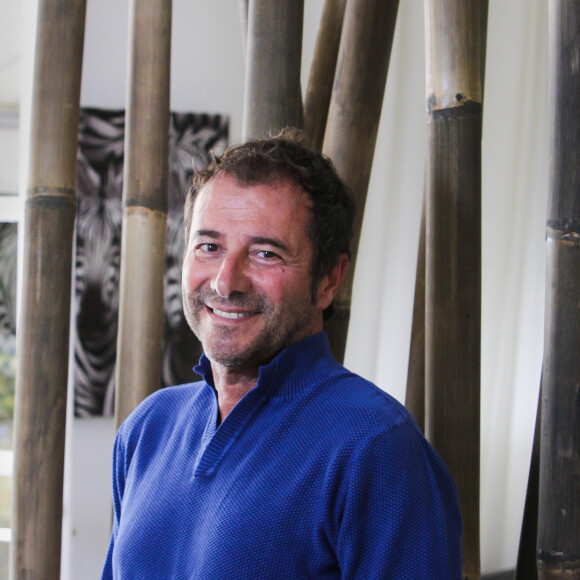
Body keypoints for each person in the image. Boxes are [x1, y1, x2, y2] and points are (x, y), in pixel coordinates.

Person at [102, 130, 462, 579]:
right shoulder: (147, 430)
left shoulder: (377, 449)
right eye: (209, 247)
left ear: (330, 279)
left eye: (265, 253)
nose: (225, 281)